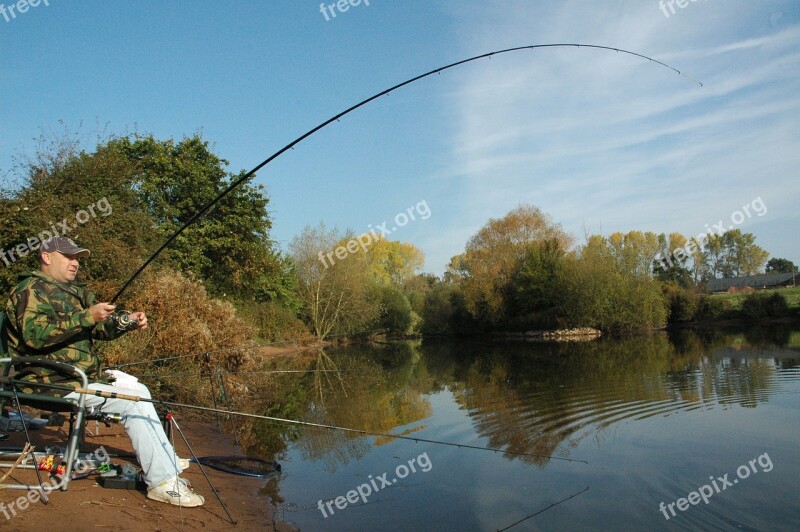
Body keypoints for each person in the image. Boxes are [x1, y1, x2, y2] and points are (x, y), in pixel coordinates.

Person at [2, 237, 204, 507]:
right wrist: (87, 316)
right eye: (68, 257)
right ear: (47, 257)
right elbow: (34, 336)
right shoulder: (29, 289)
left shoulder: (75, 293)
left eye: (78, 258)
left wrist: (125, 321)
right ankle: (162, 483)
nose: (75, 263)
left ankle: (165, 462)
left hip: (79, 376)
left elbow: (100, 328)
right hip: (48, 382)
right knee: (134, 403)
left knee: (139, 390)